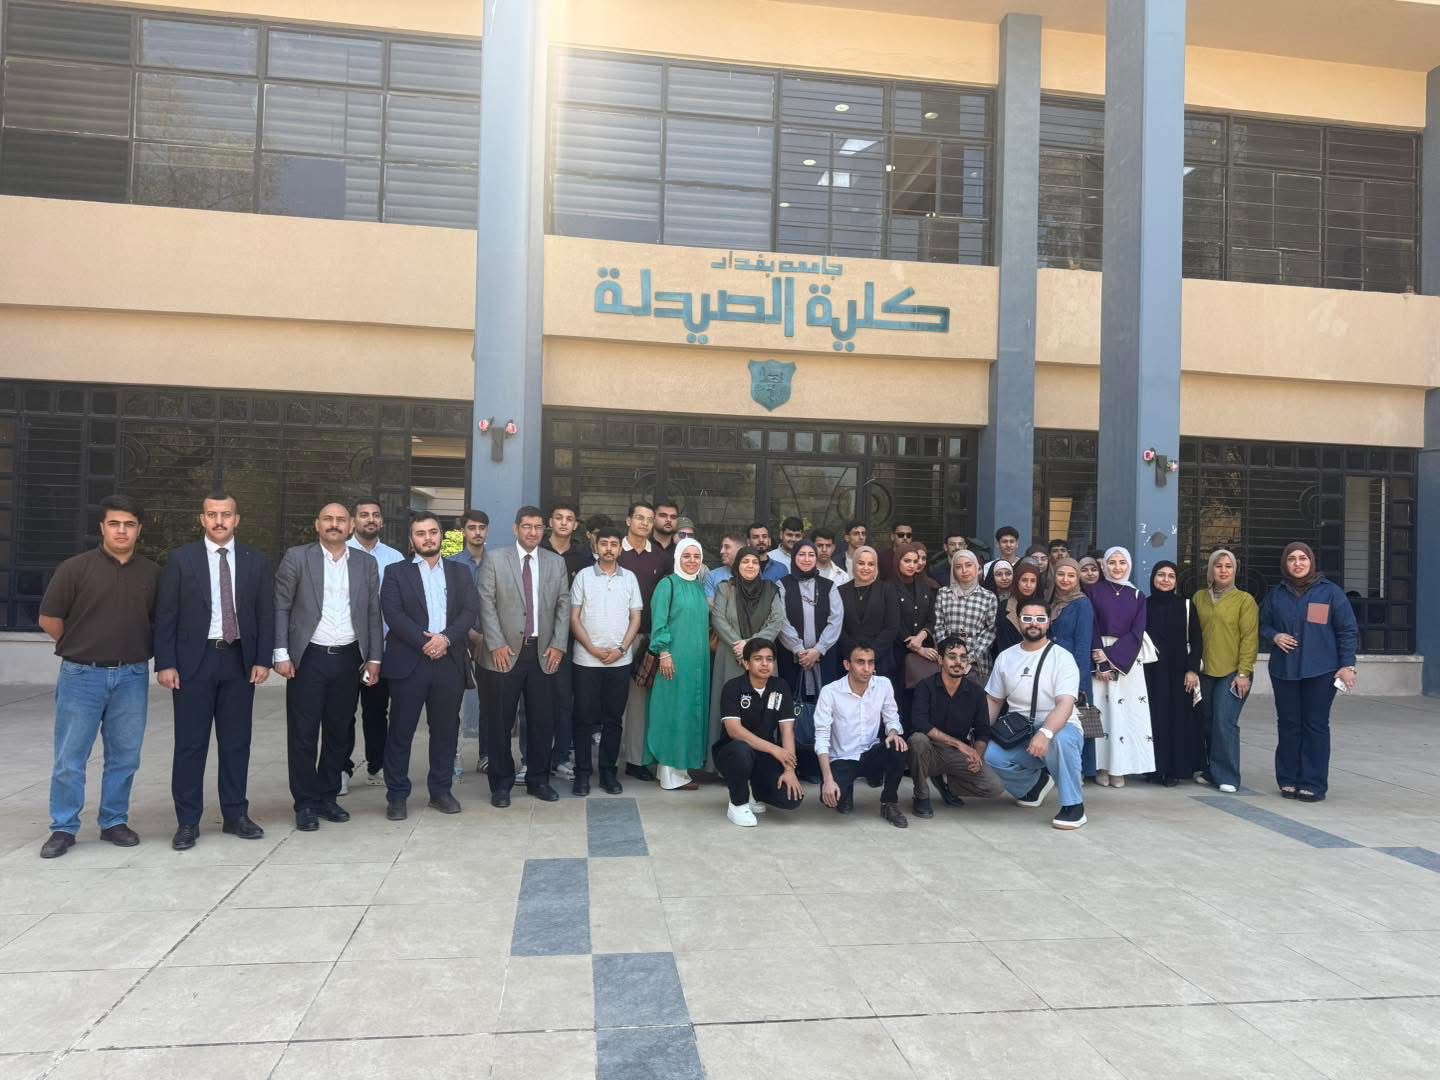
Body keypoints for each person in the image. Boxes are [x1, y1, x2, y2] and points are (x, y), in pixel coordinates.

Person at [36, 495, 161, 859]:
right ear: (102, 528)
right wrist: (81, 645)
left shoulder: (152, 573)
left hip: (132, 676)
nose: (122, 531)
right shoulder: (75, 569)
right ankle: (63, 827)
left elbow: (158, 621)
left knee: (125, 756)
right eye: (114, 524)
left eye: (129, 524)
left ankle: (114, 821)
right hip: (81, 675)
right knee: (70, 758)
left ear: (139, 530)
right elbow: (49, 619)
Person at [153, 492, 272, 851]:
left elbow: (265, 614)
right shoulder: (181, 559)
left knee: (236, 743)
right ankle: (188, 821)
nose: (219, 521)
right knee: (191, 744)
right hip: (194, 661)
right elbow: (166, 615)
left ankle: (235, 815)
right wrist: (165, 662)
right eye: (212, 514)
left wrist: (262, 659)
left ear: (237, 519)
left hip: (238, 660)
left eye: (226, 514)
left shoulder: (255, 560)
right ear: (202, 519)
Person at [273, 502, 382, 832]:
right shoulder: (297, 557)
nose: (334, 524)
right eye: (328, 519)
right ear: (317, 525)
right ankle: (305, 803)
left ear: (350, 526)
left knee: (339, 731)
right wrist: (281, 653)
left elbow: (373, 612)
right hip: (308, 658)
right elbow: (281, 606)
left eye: (340, 520)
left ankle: (327, 796)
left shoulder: (366, 563)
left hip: (349, 657)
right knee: (303, 733)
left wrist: (374, 658)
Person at [379, 512, 480, 820]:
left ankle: (440, 791)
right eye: (420, 533)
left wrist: (445, 639)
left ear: (441, 536)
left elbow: (469, 610)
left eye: (433, 532)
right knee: (401, 731)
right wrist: (425, 643)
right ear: (412, 540)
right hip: (409, 662)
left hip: (449, 661)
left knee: (446, 730)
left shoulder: (460, 572)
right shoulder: (395, 572)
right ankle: (397, 796)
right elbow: (392, 613)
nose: (427, 538)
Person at [477, 506, 570, 807]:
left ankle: (538, 780)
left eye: (538, 527)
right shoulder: (495, 559)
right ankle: (500, 784)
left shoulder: (555, 563)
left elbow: (563, 605)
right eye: (527, 526)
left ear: (544, 530)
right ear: (516, 528)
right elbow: (486, 603)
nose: (533, 532)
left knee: (543, 721)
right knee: (500, 722)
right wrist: (496, 644)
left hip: (543, 653)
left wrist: (559, 645)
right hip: (503, 653)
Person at [1259, 542, 1358, 802]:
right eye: (1291, 559)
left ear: (1311, 561)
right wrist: (1274, 635)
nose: (1297, 563)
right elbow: (1262, 624)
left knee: (1315, 725)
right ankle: (1288, 778)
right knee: (1289, 724)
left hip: (1321, 671)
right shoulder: (1276, 594)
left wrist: (1347, 665)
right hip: (1284, 670)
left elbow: (1347, 630)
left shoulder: (1330, 593)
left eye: (1302, 558)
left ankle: (1313, 782)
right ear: (1285, 563)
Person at [983, 600, 1086, 829]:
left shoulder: (1062, 658)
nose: (1033, 623)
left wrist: (1045, 733)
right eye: (1027, 618)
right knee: (989, 755)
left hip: (1059, 726)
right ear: (1018, 621)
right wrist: (980, 736)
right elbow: (994, 700)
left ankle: (1073, 806)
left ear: (1048, 623)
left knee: (1060, 740)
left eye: (1040, 618)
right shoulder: (1006, 657)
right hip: (1019, 730)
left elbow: (1065, 703)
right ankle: (1034, 785)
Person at [569, 524, 643, 796]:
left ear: (620, 548)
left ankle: (608, 773)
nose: (609, 549)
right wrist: (591, 648)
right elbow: (574, 617)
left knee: (613, 719)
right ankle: (582, 774)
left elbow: (635, 618)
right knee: (583, 718)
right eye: (604, 544)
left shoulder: (630, 578)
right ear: (596, 547)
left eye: (614, 544)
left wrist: (622, 649)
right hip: (586, 661)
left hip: (619, 661)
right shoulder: (583, 577)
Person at [906, 637, 1006, 818]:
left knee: (994, 787)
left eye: (963, 657)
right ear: (940, 660)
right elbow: (920, 723)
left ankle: (948, 785)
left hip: (956, 755)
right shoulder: (925, 686)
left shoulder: (976, 692)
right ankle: (921, 794)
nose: (958, 662)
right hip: (929, 750)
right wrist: (960, 745)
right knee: (917, 740)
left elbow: (983, 730)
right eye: (952, 657)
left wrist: (977, 755)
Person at [814, 642, 909, 828]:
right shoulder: (830, 692)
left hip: (871, 753)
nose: (866, 669)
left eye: (870, 662)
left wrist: (893, 732)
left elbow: (892, 717)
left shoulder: (883, 684)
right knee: (830, 799)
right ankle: (846, 789)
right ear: (847, 665)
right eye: (860, 662)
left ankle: (889, 802)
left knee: (898, 745)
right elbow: (822, 737)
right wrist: (828, 780)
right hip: (843, 758)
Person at [714, 639, 806, 827]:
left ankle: (754, 792)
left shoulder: (780, 687)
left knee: (791, 798)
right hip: (731, 753)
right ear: (746, 663)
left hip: (763, 755)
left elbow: (787, 730)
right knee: (741, 750)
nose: (765, 664)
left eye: (769, 659)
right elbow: (734, 730)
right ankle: (738, 804)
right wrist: (775, 749)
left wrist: (789, 770)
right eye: (758, 659)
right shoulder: (733, 687)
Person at [347, 498, 406, 790]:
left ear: (381, 521)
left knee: (376, 711)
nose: (370, 519)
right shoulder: (339, 552)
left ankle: (377, 765)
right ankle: (341, 769)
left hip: (381, 649)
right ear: (353, 521)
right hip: (347, 647)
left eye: (375, 515)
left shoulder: (394, 558)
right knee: (342, 711)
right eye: (364, 515)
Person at [645, 538, 712, 789]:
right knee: (672, 712)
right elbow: (659, 622)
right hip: (673, 660)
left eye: (697, 556)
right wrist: (664, 653)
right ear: (677, 558)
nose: (692, 560)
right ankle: (669, 773)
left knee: (690, 712)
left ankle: (681, 769)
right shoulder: (668, 585)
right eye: (687, 556)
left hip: (698, 663)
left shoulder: (698, 587)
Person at [708, 546, 785, 766]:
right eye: (745, 561)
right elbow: (718, 619)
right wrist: (739, 646)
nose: (750, 565)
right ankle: (726, 764)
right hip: (731, 655)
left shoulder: (770, 589)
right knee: (730, 708)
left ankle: (764, 762)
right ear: (737, 565)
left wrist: (750, 647)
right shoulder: (725, 588)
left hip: (761, 657)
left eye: (754, 562)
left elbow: (777, 620)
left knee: (763, 709)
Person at [1192, 549, 1259, 793]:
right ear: (1211, 569)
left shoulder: (1244, 600)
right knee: (1207, 721)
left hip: (1233, 672)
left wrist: (1244, 673)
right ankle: (1212, 770)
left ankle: (1228, 775)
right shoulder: (1199, 597)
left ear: (1235, 570)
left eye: (1228, 566)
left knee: (1224, 721)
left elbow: (1249, 638)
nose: (1223, 570)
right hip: (1205, 670)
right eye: (1218, 565)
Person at [1089, 546, 1154, 788]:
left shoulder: (1137, 595)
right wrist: (1100, 660)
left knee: (1125, 716)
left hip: (1127, 659)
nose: (1117, 567)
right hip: (1098, 658)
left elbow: (1137, 631)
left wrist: (1111, 657)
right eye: (1112, 562)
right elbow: (1092, 626)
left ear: (1129, 565)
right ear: (1104, 565)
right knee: (1103, 714)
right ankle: (1101, 767)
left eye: (1122, 562)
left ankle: (1120, 767)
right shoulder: (1093, 591)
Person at [619, 502, 670, 781]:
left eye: (649, 519)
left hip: (647, 637)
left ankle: (636, 759)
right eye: (639, 517)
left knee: (639, 702)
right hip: (613, 637)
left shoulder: (661, 558)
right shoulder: (614, 550)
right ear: (628, 520)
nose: (644, 523)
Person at [542, 501, 593, 783]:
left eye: (569, 518)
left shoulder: (584, 557)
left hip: (570, 639)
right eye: (558, 517)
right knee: (533, 702)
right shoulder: (538, 550)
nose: (563, 522)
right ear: (550, 522)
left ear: (575, 525)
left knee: (564, 699)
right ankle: (531, 759)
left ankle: (561, 757)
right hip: (536, 636)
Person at [1144, 561, 1204, 787]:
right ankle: (1154, 769)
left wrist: (1192, 669)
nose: (1165, 580)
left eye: (1171, 576)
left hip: (1180, 672)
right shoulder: (1145, 605)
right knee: (1155, 718)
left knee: (1178, 718)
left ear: (1176, 581)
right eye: (1161, 575)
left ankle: (1174, 770)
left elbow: (1197, 639)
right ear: (1153, 578)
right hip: (1152, 671)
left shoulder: (1186, 605)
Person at [1048, 558, 1097, 781]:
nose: (1065, 579)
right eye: (1061, 574)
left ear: (1077, 578)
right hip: (1051, 668)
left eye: (1071, 575)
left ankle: (1083, 770)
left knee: (1080, 719)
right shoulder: (1051, 601)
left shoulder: (1082, 603)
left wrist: (1077, 679)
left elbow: (1083, 644)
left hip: (1075, 670)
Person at [448, 508, 489, 773]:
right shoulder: (451, 564)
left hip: (489, 641)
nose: (477, 532)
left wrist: (486, 636)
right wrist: (468, 633)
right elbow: (449, 606)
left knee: (490, 700)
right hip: (458, 640)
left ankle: (486, 755)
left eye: (482, 528)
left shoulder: (497, 562)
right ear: (463, 531)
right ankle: (452, 756)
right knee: (452, 702)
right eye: (472, 527)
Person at [933, 549, 997, 684]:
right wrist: (949, 654)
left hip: (977, 664)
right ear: (953, 570)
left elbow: (991, 630)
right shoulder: (944, 594)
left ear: (976, 567)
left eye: (968, 565)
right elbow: (938, 625)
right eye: (958, 567)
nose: (964, 570)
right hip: (947, 663)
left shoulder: (988, 597)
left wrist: (969, 657)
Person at [838, 546, 901, 683]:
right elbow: (838, 627)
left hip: (881, 661)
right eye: (861, 563)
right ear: (854, 564)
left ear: (876, 566)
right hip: (848, 660)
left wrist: (870, 656)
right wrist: (853, 654)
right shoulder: (841, 591)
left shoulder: (887, 589)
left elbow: (892, 627)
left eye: (871, 564)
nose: (866, 568)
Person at [893, 540, 939, 720]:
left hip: (922, 653)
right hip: (897, 653)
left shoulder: (925, 586)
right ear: (898, 561)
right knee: (898, 700)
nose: (912, 565)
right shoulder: (888, 586)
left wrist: (921, 636)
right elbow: (893, 622)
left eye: (915, 561)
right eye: (907, 561)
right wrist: (917, 648)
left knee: (921, 699)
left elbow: (932, 617)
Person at [998, 559, 1044, 655]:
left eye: (1033, 581)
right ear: (1017, 581)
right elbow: (1001, 640)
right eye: (1024, 580)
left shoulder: (1043, 607)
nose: (1028, 585)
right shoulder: (1004, 607)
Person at [703, 532, 744, 599]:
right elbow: (710, 604)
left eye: (727, 547)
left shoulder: (752, 573)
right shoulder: (712, 576)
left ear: (740, 550)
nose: (721, 551)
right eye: (722, 547)